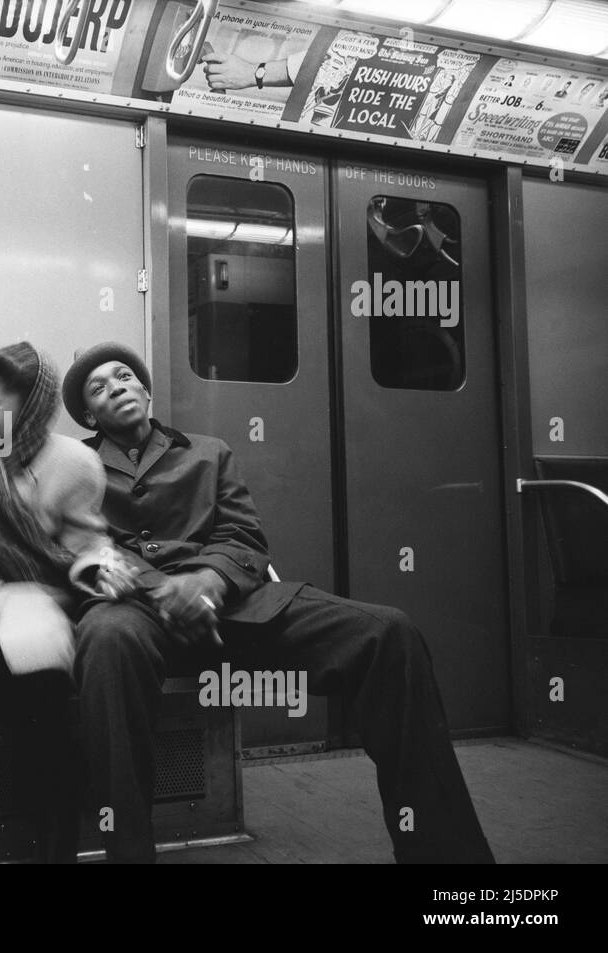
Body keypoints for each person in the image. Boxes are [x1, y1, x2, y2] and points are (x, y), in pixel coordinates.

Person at [61, 341, 496, 864]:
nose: (118, 387)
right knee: (106, 640)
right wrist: (160, 588)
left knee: (389, 633)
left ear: (147, 390)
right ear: (89, 414)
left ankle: (448, 865)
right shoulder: (75, 466)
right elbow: (85, 546)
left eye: (125, 376)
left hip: (232, 606)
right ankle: (128, 853)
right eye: (100, 387)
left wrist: (208, 581)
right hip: (134, 612)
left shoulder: (208, 450)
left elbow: (243, 537)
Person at [0, 342, 135, 863]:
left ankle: (54, 842)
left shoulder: (75, 463)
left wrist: (97, 570)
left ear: (32, 406)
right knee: (19, 687)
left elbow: (87, 544)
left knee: (35, 680)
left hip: (42, 599)